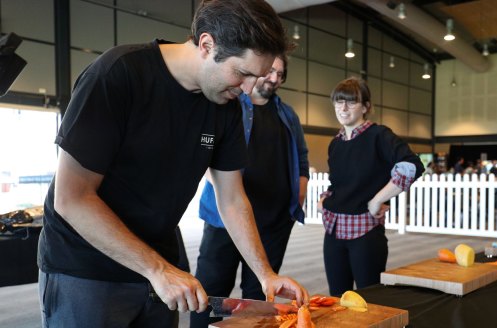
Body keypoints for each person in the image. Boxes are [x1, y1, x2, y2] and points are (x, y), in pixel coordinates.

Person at [36, 1, 309, 327]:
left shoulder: (226, 106)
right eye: (243, 73)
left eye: (258, 77)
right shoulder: (118, 75)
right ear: (207, 45)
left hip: (160, 270)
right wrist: (158, 269)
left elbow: (233, 199)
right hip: (86, 268)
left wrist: (265, 274)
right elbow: (72, 198)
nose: (250, 89)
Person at [190, 54, 309, 327]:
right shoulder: (229, 104)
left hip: (274, 221)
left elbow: (302, 158)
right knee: (210, 292)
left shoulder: (287, 114)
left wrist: (297, 195)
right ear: (259, 70)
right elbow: (207, 149)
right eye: (271, 71)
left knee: (259, 298)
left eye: (281, 74)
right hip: (224, 218)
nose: (275, 78)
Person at [318, 77, 424, 296]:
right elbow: (337, 183)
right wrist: (324, 199)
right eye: (339, 102)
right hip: (333, 229)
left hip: (365, 231)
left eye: (351, 102)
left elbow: (411, 165)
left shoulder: (379, 135)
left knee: (370, 298)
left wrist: (378, 199)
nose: (343, 108)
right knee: (337, 299)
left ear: (366, 107)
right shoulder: (335, 143)